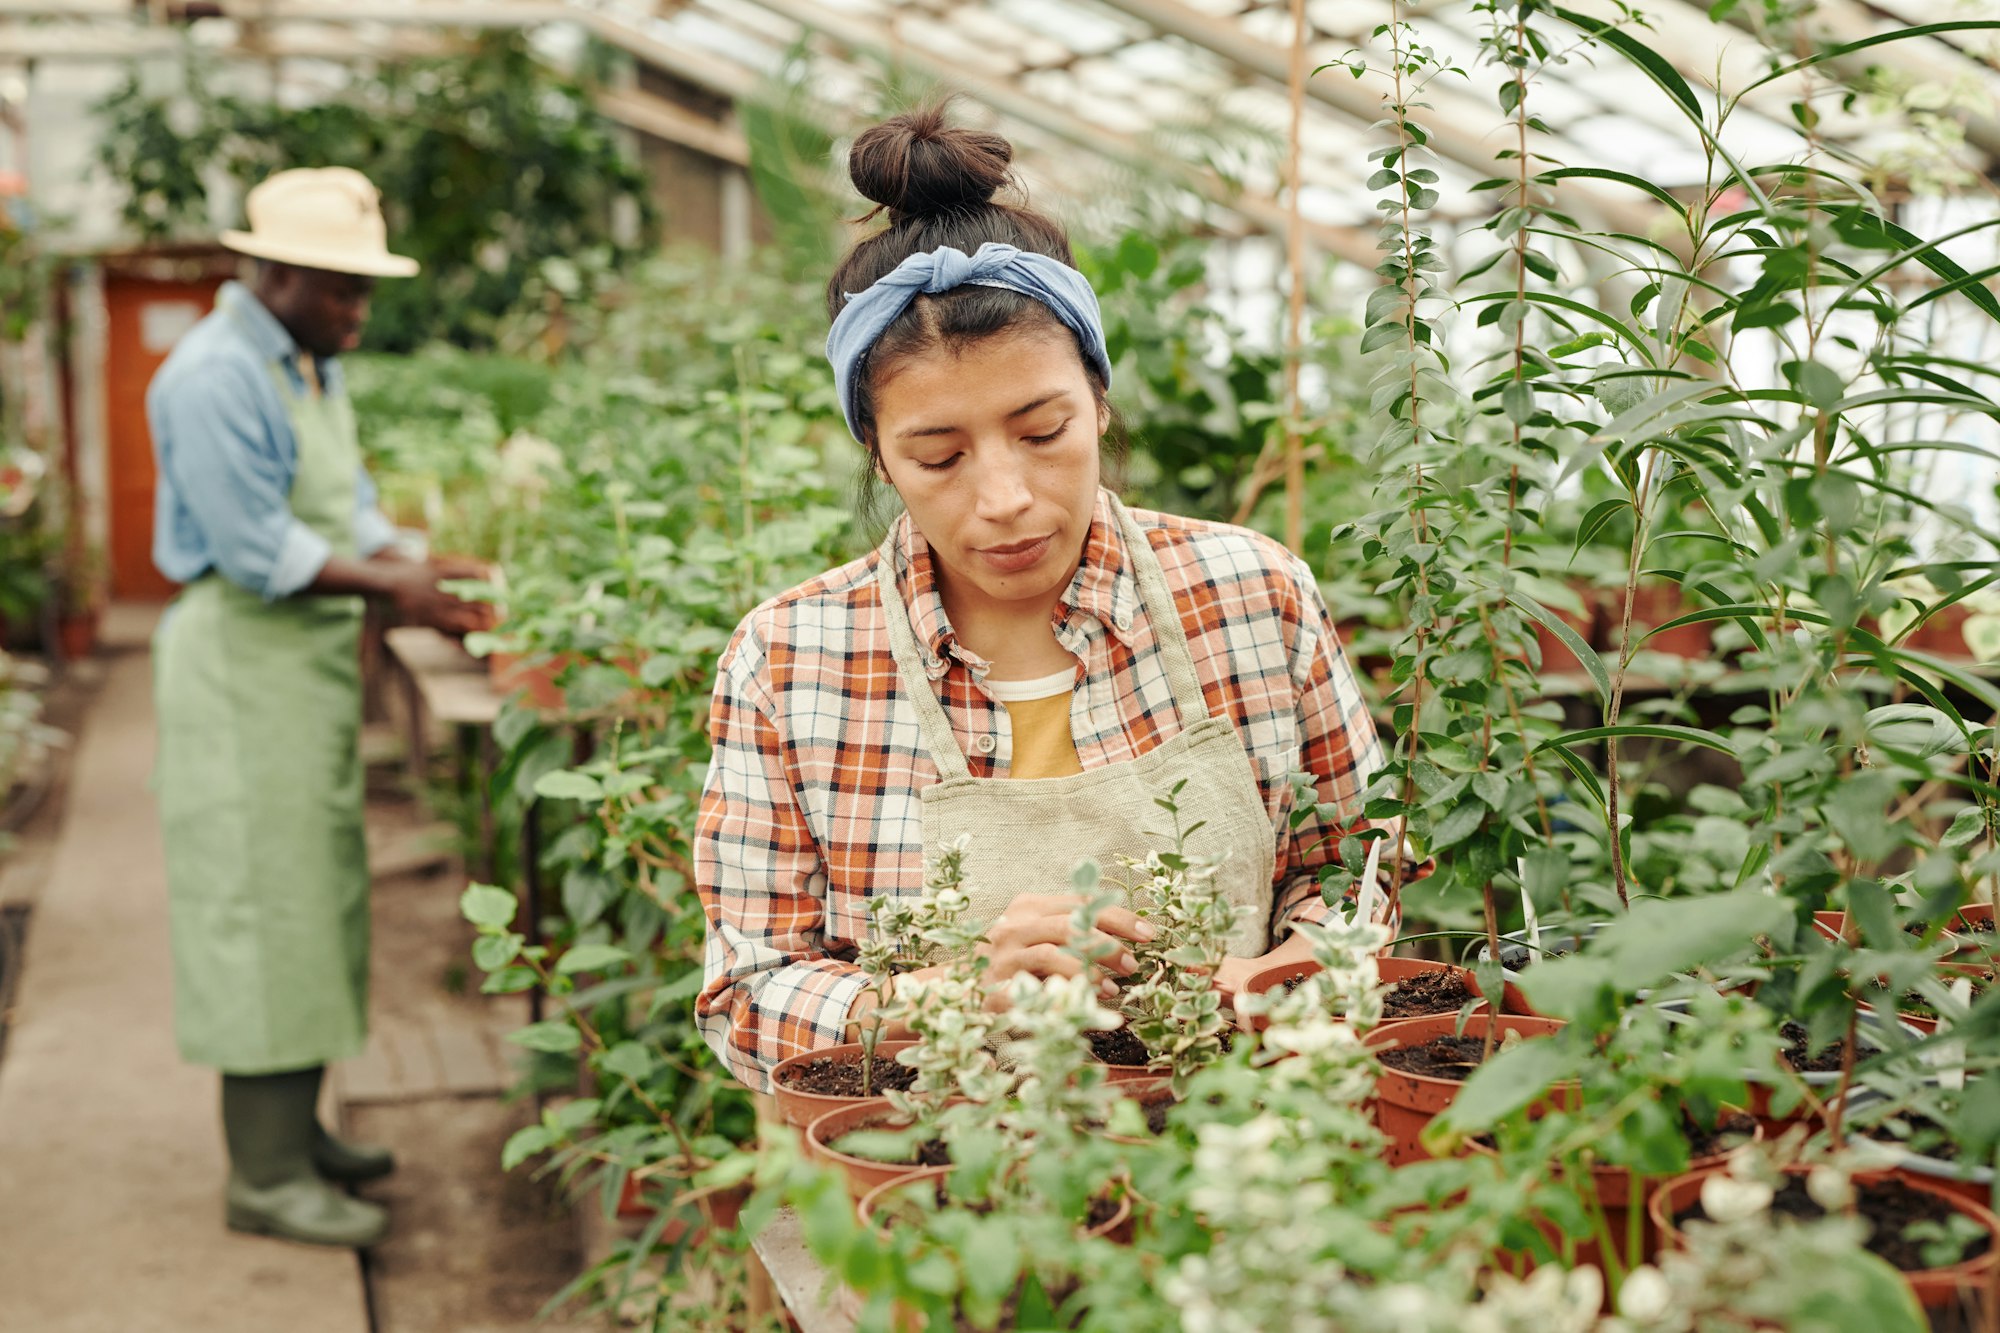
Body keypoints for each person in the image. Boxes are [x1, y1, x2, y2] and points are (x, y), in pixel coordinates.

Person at [694, 107, 1405, 1092]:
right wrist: (935, 999)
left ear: (1099, 397)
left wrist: (1278, 978)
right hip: (933, 1181)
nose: (1004, 499)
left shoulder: (1252, 597)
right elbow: (744, 994)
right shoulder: (793, 658)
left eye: (1041, 431)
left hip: (1244, 1141)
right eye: (936, 455)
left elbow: (1358, 868)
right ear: (876, 453)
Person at [148, 166, 487, 1247]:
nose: (358, 311)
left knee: (316, 895)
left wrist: (427, 564)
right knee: (259, 907)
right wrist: (403, 590)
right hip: (240, 663)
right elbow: (259, 549)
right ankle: (262, 1175)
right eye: (341, 289)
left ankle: (296, 1135)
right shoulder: (213, 375)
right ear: (277, 272)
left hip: (301, 665)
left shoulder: (301, 363)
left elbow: (347, 510)